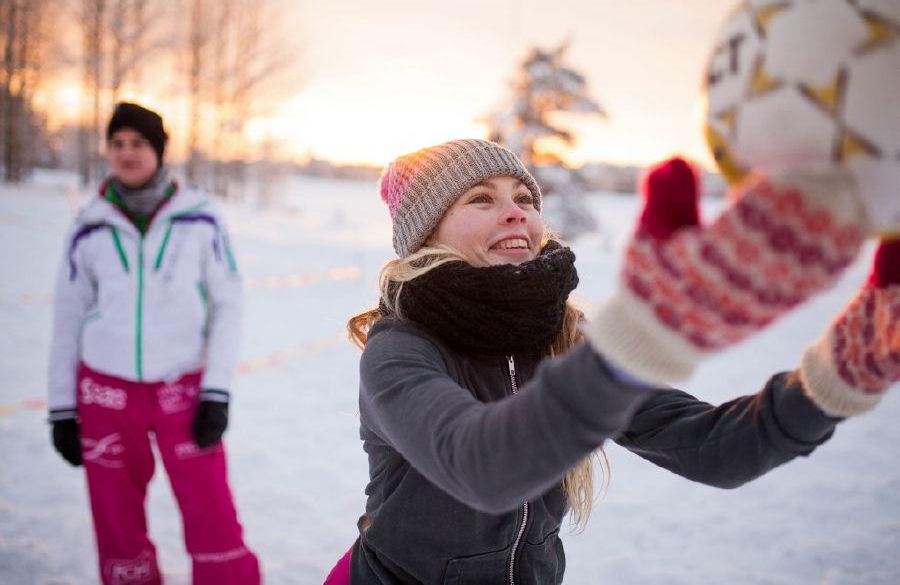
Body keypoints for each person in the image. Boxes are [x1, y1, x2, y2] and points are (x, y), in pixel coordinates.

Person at [325, 139, 899, 584]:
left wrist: (837, 376)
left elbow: (715, 449)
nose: (515, 213)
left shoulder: (563, 337)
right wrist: (633, 345)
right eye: (481, 199)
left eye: (525, 199)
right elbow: (484, 467)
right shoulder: (399, 348)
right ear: (428, 236)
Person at [47, 102, 261, 585]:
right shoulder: (89, 222)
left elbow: (229, 304)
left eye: (138, 143)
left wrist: (217, 391)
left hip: (181, 388)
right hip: (105, 392)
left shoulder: (201, 218)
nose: (127, 153)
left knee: (211, 512)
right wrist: (62, 407)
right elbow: (67, 317)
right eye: (117, 143)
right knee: (116, 520)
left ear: (159, 151)